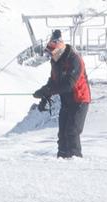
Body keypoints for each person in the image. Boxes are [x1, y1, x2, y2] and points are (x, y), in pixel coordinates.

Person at [35, 30, 92, 158]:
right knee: (62, 134)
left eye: (52, 53)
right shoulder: (55, 62)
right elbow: (53, 81)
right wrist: (44, 95)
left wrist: (48, 91)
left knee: (72, 131)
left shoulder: (74, 59)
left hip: (80, 100)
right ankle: (62, 159)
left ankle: (75, 159)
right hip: (66, 101)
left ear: (59, 50)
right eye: (49, 53)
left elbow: (68, 84)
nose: (51, 56)